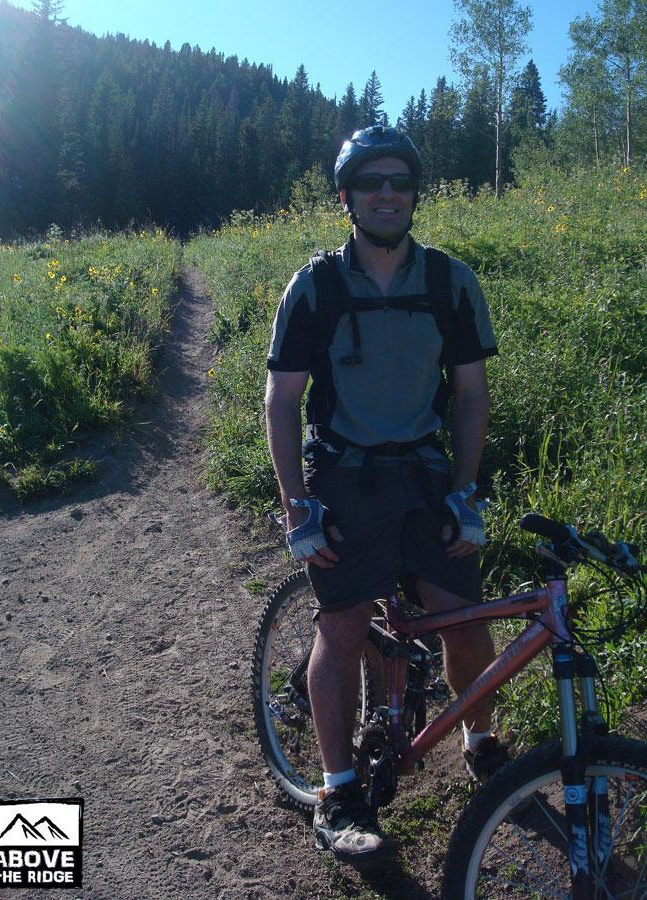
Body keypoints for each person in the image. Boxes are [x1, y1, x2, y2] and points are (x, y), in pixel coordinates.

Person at [265, 126, 506, 864]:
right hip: (345, 478)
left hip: (425, 475)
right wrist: (298, 506)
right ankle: (338, 794)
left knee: (462, 624)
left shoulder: (448, 282)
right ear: (346, 197)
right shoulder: (315, 286)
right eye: (370, 183)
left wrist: (464, 493)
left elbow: (469, 396)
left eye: (398, 182)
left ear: (413, 194)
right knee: (340, 628)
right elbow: (281, 400)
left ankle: (482, 744)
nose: (386, 194)